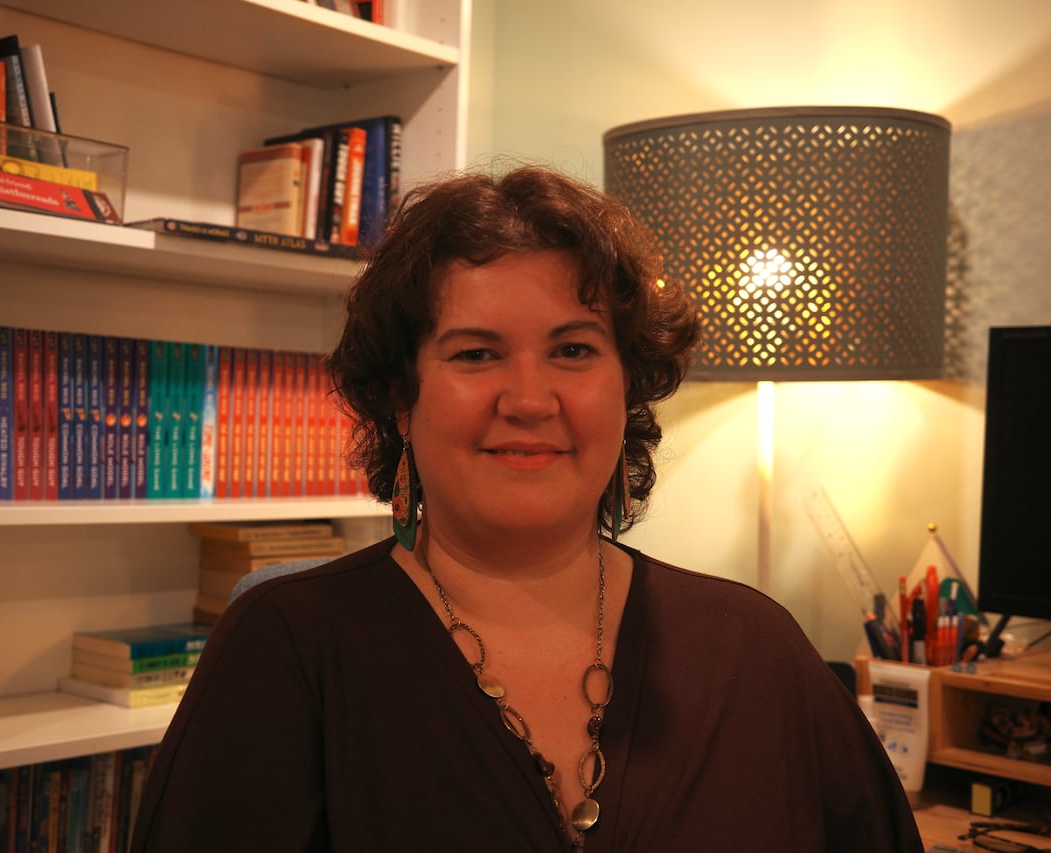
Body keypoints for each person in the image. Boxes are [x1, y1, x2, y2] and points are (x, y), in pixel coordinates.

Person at [129, 164, 923, 852]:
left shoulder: (756, 647)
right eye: (476, 353)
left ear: (627, 388)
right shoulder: (288, 647)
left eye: (574, 350)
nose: (530, 398)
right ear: (401, 399)